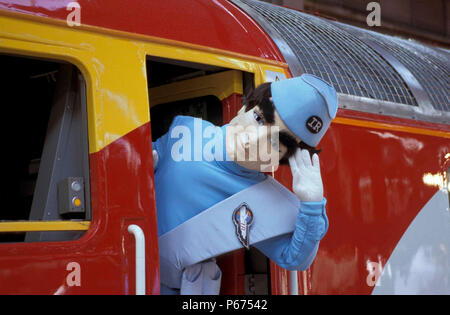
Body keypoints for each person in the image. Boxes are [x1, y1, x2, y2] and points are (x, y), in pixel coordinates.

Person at [152, 74, 338, 294]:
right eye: (259, 118)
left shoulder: (262, 198)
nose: (253, 140)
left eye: (275, 142)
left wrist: (311, 205)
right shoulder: (187, 131)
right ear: (244, 108)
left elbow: (294, 258)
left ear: (284, 158)